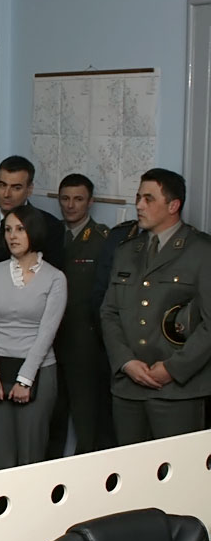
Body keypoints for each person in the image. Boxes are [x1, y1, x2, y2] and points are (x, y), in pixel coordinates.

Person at [100, 168, 211, 444]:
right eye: (138, 197)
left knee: (178, 467)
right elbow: (109, 312)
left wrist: (173, 368)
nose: (139, 205)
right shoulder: (127, 251)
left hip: (178, 390)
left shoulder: (202, 252)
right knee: (129, 467)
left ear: (173, 206)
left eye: (148, 199)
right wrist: (126, 362)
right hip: (128, 388)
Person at [0, 205, 67, 469]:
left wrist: (25, 380)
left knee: (31, 456)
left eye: (20, 229)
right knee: (0, 457)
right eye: (8, 230)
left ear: (34, 232)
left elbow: (47, 333)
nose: (12, 236)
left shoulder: (55, 278)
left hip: (38, 372)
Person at [49, 173, 112, 456]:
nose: (70, 205)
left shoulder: (102, 240)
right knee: (53, 416)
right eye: (65, 198)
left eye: (78, 199)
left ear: (91, 202)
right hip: (51, 341)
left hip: (84, 342)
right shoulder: (50, 234)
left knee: (86, 418)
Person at [0, 155, 65, 270]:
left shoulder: (51, 227)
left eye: (16, 188)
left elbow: (50, 274)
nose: (6, 194)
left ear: (29, 189)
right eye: (2, 185)